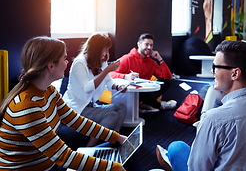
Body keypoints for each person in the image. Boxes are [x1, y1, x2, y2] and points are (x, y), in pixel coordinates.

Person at [0, 36, 127, 170]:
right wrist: (112, 167)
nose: (67, 63)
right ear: (51, 66)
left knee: (118, 153)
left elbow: (76, 120)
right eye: (64, 59)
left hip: (49, 164)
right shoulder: (26, 107)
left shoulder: (49, 91)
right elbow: (63, 156)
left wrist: (117, 137)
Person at [156, 40, 246, 171]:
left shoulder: (214, 120)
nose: (212, 72)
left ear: (235, 73)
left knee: (167, 157)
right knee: (177, 147)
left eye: (216, 67)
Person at [63, 33, 127, 146]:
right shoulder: (79, 62)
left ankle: (110, 140)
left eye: (108, 50)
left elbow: (108, 81)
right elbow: (87, 88)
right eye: (105, 49)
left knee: (120, 107)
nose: (107, 53)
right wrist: (107, 70)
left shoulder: (101, 61)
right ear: (96, 49)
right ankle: (90, 148)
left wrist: (118, 87)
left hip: (91, 104)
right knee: (111, 115)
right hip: (77, 106)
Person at [110, 33, 176, 113]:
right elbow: (110, 74)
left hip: (143, 90)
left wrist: (160, 59)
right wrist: (125, 76)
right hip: (127, 91)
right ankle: (158, 105)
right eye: (146, 44)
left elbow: (168, 76)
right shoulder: (127, 58)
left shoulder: (151, 62)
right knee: (142, 91)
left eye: (151, 45)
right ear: (139, 44)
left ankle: (144, 104)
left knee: (166, 82)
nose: (149, 47)